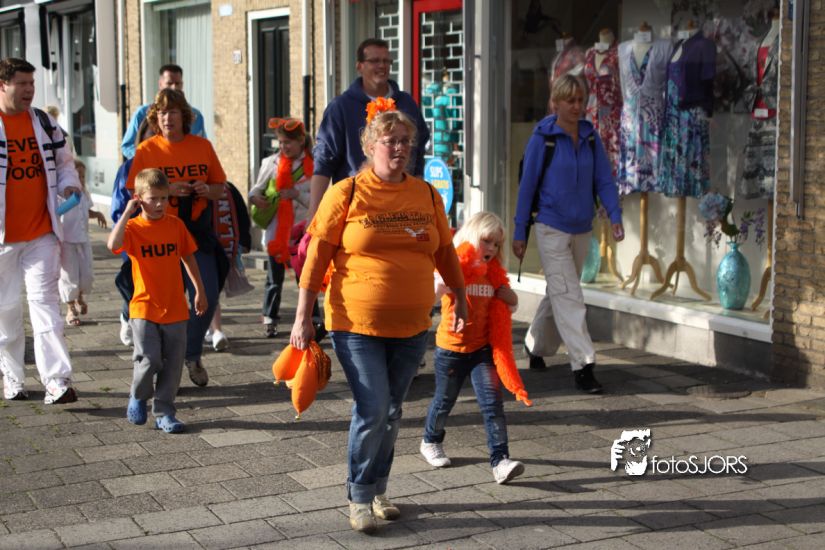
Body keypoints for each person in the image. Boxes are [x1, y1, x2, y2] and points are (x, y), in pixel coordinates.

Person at [290, 102, 466, 534]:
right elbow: (316, 259)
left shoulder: (426, 194)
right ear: (370, 146)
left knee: (391, 410)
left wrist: (461, 297)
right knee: (372, 408)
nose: (400, 148)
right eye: (391, 141)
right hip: (356, 324)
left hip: (411, 325)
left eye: (406, 141)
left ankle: (378, 489)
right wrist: (302, 317)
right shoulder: (346, 192)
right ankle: (359, 496)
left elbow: (445, 251)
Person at [513, 74, 624, 394]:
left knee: (560, 292)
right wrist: (520, 231)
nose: (576, 106)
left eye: (580, 100)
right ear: (556, 103)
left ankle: (535, 345)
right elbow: (527, 187)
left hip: (582, 228)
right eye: (569, 100)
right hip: (550, 227)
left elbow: (603, 180)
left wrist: (615, 215)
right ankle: (584, 365)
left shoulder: (590, 137)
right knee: (570, 297)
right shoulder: (542, 139)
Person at [126, 88, 227, 388]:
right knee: (161, 301)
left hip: (196, 231)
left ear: (184, 116)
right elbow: (133, 191)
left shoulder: (202, 146)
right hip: (157, 235)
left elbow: (220, 187)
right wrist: (168, 190)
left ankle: (191, 354)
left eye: (172, 112)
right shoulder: (147, 150)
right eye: (161, 113)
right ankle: (162, 362)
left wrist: (206, 190)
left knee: (207, 294)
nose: (167, 118)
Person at [420, 212, 525, 484]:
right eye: (486, 241)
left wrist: (512, 298)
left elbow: (508, 307)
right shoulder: (454, 265)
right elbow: (430, 297)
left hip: (482, 350)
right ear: (471, 236)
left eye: (496, 244)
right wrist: (442, 283)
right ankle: (431, 440)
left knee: (492, 404)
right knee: (444, 401)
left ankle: (500, 460)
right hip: (451, 349)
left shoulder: (494, 273)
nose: (491, 248)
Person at [0, 57, 81, 404]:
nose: (29, 90)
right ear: (2, 85)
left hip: (42, 233)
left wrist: (68, 185)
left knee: (45, 305)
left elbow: (65, 164)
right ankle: (13, 377)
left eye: (32, 84)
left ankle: (57, 380)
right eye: (22, 83)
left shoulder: (45, 123)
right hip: (3, 239)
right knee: (5, 310)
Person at [108, 168, 206, 433]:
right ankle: (138, 395)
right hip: (143, 307)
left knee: (173, 366)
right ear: (139, 198)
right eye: (153, 199)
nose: (160, 204)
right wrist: (127, 213)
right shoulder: (133, 228)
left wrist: (199, 290)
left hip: (175, 308)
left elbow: (188, 257)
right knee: (149, 359)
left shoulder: (176, 225)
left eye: (164, 198)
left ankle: (165, 413)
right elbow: (113, 245)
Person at [306, 38, 430, 222]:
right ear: (360, 66)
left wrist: (419, 200)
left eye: (386, 61)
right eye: (374, 61)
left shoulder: (406, 104)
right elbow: (324, 161)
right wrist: (313, 213)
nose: (382, 66)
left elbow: (417, 154)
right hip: (358, 208)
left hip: (402, 206)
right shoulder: (341, 107)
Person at [249, 118, 317, 338]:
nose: (283, 147)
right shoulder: (271, 163)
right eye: (280, 142)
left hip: (301, 233)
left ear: (301, 141)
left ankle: (313, 318)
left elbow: (319, 199)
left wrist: (297, 194)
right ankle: (270, 318)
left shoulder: (314, 165)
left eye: (288, 142)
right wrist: (256, 199)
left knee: (305, 278)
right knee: (273, 279)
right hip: (276, 232)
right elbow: (255, 190)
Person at [112, 120, 154, 347]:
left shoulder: (170, 164)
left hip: (163, 235)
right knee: (135, 282)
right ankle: (127, 315)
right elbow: (118, 207)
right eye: (150, 134)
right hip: (136, 236)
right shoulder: (129, 168)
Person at [204, 181, 252, 351]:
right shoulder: (192, 187)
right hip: (202, 247)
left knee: (212, 290)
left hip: (222, 248)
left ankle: (214, 329)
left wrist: (244, 240)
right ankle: (213, 329)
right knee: (208, 290)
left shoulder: (228, 189)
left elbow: (241, 214)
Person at [120, 64, 206, 159]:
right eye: (169, 83)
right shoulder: (143, 113)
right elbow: (127, 146)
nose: (174, 87)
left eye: (177, 83)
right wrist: (146, 158)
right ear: (160, 84)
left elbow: (202, 147)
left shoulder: (196, 115)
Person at [60, 159, 108, 326]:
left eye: (82, 176)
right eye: (77, 176)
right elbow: (57, 212)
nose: (80, 179)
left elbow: (86, 211)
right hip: (67, 241)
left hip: (83, 240)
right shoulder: (62, 195)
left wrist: (97, 214)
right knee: (69, 276)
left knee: (86, 275)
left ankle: (79, 297)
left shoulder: (85, 194)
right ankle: (70, 308)